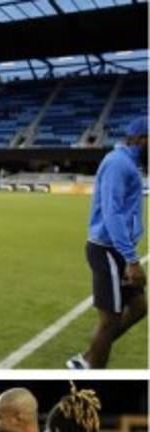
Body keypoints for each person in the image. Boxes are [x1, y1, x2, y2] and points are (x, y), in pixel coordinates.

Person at [68, 117, 147, 370]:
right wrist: (132, 260)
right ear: (140, 139)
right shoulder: (118, 164)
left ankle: (90, 356)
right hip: (107, 250)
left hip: (118, 250)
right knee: (109, 320)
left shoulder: (129, 164)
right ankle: (91, 370)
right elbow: (112, 214)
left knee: (138, 308)